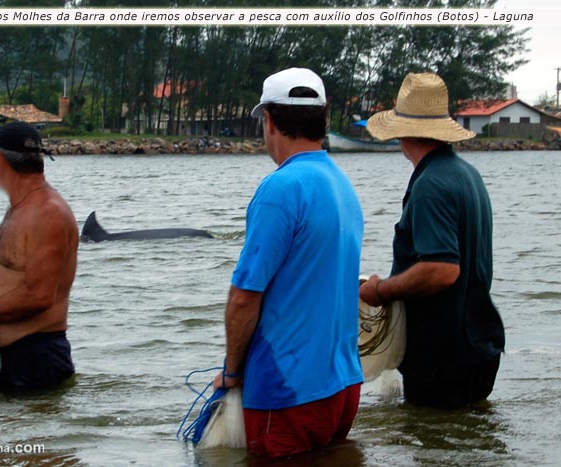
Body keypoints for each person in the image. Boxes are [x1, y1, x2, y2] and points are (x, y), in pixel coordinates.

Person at [213, 68, 364, 458]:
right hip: (343, 385)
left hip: (288, 392)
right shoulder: (343, 185)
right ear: (322, 119)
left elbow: (244, 296)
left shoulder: (280, 188)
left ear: (270, 121)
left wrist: (231, 371)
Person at [360, 73, 505, 408]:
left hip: (443, 356)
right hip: (480, 345)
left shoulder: (430, 186)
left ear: (402, 132)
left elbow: (441, 270)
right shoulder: (466, 173)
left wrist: (379, 291)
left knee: (432, 448)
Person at [0, 122, 79, 392]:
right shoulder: (22, 206)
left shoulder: (48, 212)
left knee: (25, 435)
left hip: (36, 356)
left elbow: (39, 296)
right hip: (7, 354)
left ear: (0, 161)